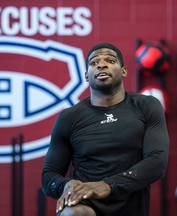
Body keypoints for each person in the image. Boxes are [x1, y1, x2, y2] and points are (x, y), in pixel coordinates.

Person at [41, 42, 169, 216]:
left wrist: (109, 185)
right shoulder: (69, 117)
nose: (101, 64)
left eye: (110, 60)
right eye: (94, 63)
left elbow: (157, 162)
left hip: (131, 205)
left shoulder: (146, 106)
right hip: (86, 201)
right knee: (75, 214)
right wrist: (65, 185)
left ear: (123, 71)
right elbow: (49, 175)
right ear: (86, 76)